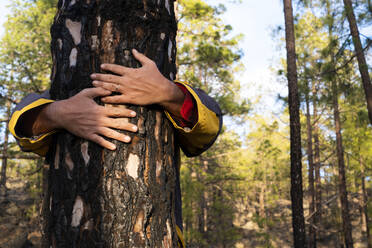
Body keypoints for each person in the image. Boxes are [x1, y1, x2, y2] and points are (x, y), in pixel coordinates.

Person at [9, 49, 222, 247]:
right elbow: (21, 125)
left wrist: (169, 93)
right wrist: (58, 113)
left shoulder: (173, 88)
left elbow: (208, 128)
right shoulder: (63, 91)